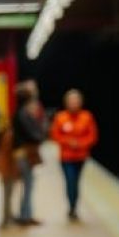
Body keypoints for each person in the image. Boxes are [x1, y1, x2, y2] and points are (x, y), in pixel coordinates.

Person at [50, 89, 98, 221]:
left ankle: (74, 205)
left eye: (76, 101)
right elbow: (55, 135)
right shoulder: (60, 117)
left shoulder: (87, 116)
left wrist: (80, 144)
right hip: (66, 157)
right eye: (71, 101)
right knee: (70, 181)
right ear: (66, 102)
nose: (74, 103)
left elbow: (92, 136)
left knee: (76, 182)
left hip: (81, 156)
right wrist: (68, 142)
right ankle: (72, 207)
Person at [10, 80, 46, 227]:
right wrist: (41, 135)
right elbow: (33, 134)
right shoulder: (23, 114)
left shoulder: (20, 112)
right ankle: (25, 216)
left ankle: (26, 214)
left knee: (28, 184)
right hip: (24, 153)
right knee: (29, 184)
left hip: (22, 153)